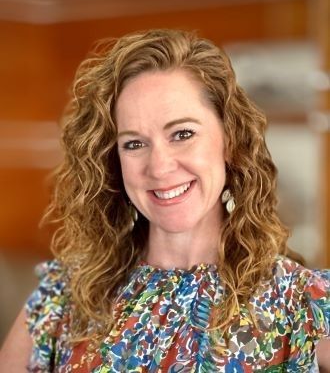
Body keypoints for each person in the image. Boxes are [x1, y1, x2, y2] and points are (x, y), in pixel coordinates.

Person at [0, 29, 329, 372]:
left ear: (229, 140)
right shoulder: (62, 299)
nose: (158, 167)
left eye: (182, 134)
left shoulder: (301, 303)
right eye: (134, 143)